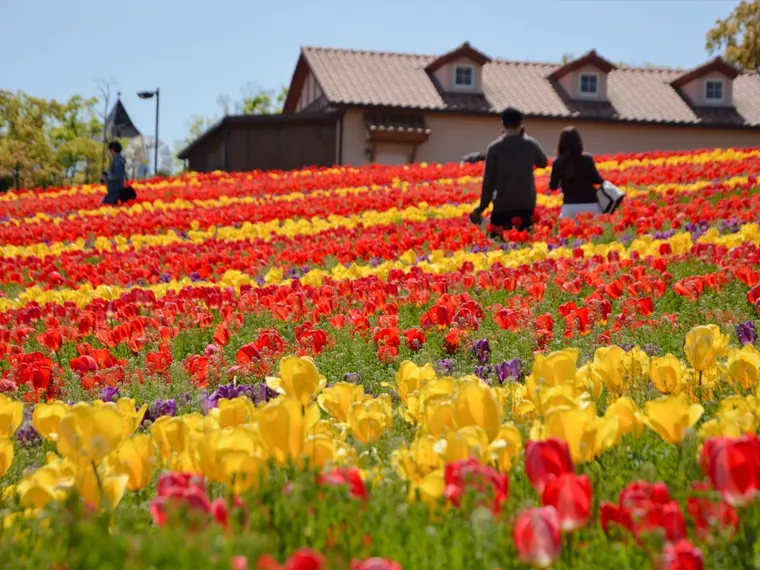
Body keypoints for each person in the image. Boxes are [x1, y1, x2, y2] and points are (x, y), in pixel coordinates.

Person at [469, 107, 549, 235]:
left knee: (500, 247)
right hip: (526, 205)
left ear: (503, 124)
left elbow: (488, 183)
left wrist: (481, 208)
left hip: (502, 206)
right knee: (524, 245)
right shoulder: (530, 144)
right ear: (521, 124)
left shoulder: (494, 148)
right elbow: (543, 162)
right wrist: (525, 138)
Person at [549, 126, 605, 220]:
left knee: (569, 233)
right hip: (590, 204)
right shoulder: (587, 159)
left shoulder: (558, 162)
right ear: (578, 141)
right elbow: (598, 181)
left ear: (561, 143)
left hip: (569, 206)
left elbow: (553, 186)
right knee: (592, 233)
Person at [101, 141, 126, 205]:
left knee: (104, 206)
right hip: (115, 189)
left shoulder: (117, 160)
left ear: (112, 150)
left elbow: (118, 174)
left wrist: (107, 177)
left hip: (115, 190)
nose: (109, 153)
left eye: (109, 151)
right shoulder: (118, 159)